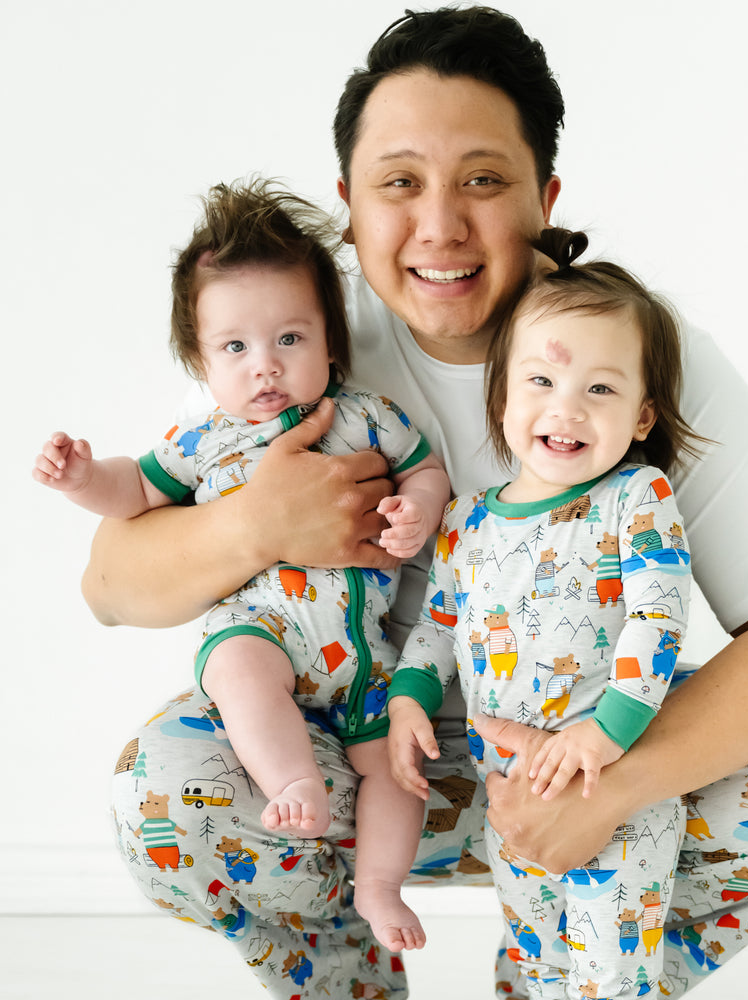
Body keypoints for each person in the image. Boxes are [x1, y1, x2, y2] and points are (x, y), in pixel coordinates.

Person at [83, 8, 748, 999]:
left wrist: (614, 781)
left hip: (582, 759)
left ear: (545, 197)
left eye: (484, 181)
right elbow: (109, 580)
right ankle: (343, 980)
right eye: (399, 183)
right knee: (167, 789)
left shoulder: (631, 352)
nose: (440, 226)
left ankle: (574, 978)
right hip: (355, 755)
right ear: (348, 203)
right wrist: (252, 523)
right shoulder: (292, 340)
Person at [34, 178, 448, 953]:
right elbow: (136, 493)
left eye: (290, 340)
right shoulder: (204, 439)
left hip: (364, 655)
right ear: (200, 357)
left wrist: (416, 508)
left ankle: (379, 882)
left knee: (394, 765)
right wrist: (84, 478)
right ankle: (293, 782)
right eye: (235, 348)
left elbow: (426, 470)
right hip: (261, 629)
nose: (265, 367)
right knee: (237, 673)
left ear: (331, 340)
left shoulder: (366, 415)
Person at [387, 227, 696, 996]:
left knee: (607, 976)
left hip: (609, 788)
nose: (569, 411)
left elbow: (658, 618)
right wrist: (406, 698)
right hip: (511, 796)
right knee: (533, 962)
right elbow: (441, 622)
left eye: (601, 389)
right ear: (502, 394)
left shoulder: (634, 497)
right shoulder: (466, 521)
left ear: (643, 417)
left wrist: (607, 730)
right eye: (542, 382)